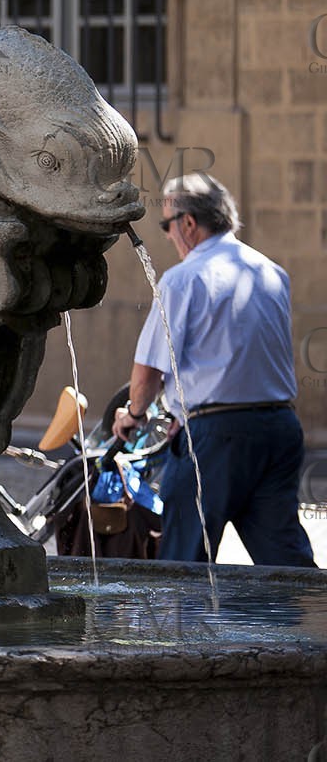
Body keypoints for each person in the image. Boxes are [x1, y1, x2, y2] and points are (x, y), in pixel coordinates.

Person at [112, 172, 315, 567]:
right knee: (286, 562)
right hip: (279, 429)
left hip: (215, 439)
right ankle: (307, 625)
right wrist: (188, 413)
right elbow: (239, 356)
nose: (168, 236)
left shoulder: (182, 280)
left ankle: (179, 630)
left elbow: (147, 374)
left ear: (188, 223)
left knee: (185, 562)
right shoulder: (272, 272)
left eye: (167, 225)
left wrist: (133, 416)